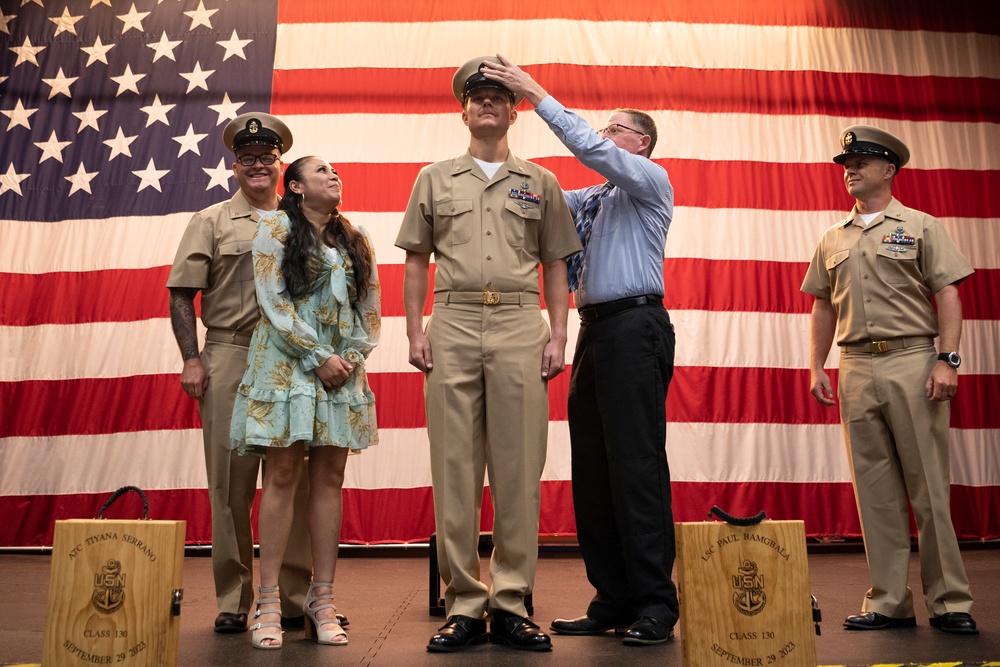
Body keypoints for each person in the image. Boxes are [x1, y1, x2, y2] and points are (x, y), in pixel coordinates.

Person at [482, 55, 679, 646]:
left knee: (636, 465)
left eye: (615, 128)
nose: (604, 133)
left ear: (639, 143)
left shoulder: (649, 181)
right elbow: (528, 197)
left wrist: (534, 93)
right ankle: (612, 597)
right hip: (594, 329)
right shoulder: (587, 197)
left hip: (636, 327)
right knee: (593, 467)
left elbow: (589, 147)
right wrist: (493, 135)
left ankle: (653, 604)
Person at [395, 56, 581, 653]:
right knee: (453, 469)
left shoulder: (540, 181)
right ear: (464, 107)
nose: (486, 104)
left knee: (519, 469)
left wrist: (557, 333)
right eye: (476, 96)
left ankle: (511, 600)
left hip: (517, 322)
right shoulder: (434, 177)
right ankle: (464, 603)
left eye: (497, 96)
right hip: (450, 320)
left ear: (514, 109)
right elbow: (417, 259)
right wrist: (414, 330)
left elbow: (556, 262)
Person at [801, 125, 977, 635]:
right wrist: (817, 364)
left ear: (889, 170)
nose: (849, 170)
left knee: (928, 488)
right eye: (845, 165)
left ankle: (950, 603)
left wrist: (948, 359)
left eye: (859, 162)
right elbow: (821, 303)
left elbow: (947, 292)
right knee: (873, 491)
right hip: (856, 366)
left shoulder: (921, 226)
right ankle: (888, 602)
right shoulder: (833, 237)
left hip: (913, 361)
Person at [167, 113, 313, 634]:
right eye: (248, 158)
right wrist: (191, 357)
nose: (258, 165)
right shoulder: (210, 221)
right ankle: (234, 597)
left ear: (280, 165)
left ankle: (292, 597)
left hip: (292, 358)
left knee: (290, 477)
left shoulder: (302, 221)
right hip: (229, 354)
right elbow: (182, 291)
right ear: (235, 167)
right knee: (230, 485)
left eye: (267, 157)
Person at [230, 155, 381, 649]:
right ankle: (269, 601)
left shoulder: (355, 237)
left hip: (340, 372)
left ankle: (323, 599)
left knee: (330, 479)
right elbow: (274, 302)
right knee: (283, 475)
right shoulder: (275, 226)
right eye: (321, 171)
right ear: (293, 186)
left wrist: (350, 358)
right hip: (289, 366)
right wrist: (317, 355)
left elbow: (370, 309)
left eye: (336, 172)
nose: (333, 176)